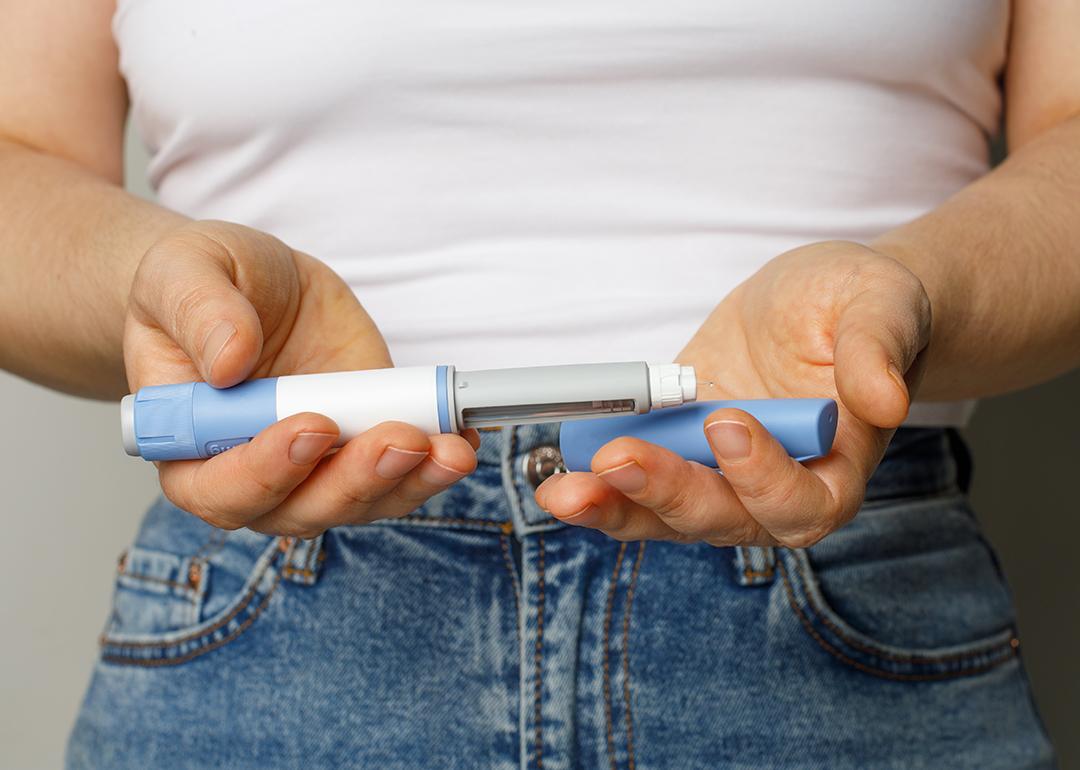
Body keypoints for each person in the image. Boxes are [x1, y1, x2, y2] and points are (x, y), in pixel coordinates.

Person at [2, 1, 1076, 767]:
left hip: (848, 593)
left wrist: (907, 295)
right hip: (268, 622)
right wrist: (154, 288)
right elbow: (21, 153)